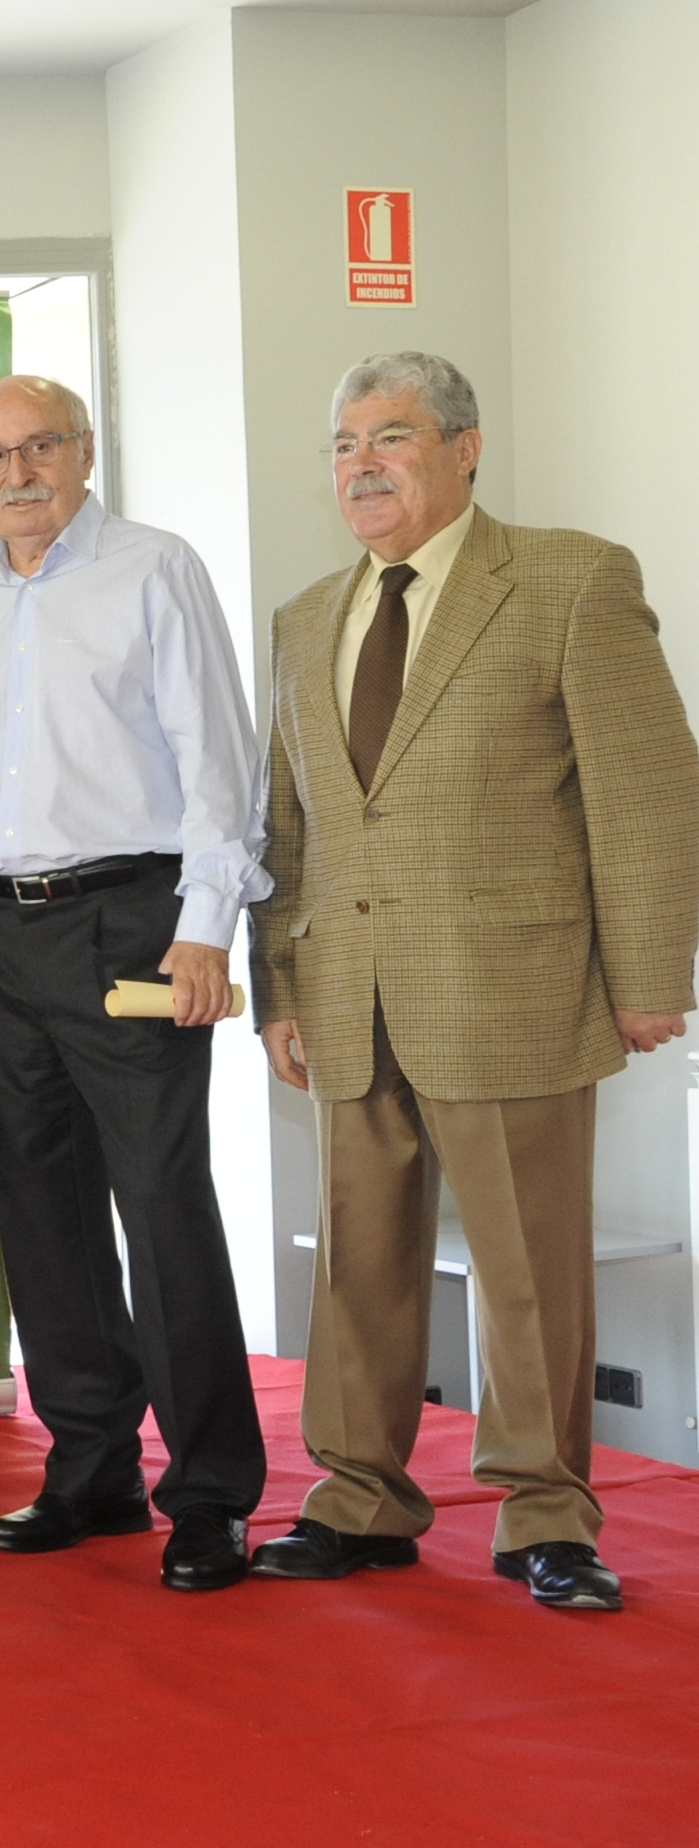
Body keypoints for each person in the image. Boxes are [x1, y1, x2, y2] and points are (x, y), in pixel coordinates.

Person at [247, 353, 699, 1612]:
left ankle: (547, 1516)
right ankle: (361, 1499)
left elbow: (649, 793)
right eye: (344, 444)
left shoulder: (569, 580)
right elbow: (288, 825)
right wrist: (280, 988)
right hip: (347, 996)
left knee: (527, 1273)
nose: (362, 465)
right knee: (358, 1267)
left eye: (390, 436)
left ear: (465, 446)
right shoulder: (303, 618)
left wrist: (650, 976)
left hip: (513, 991)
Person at [0, 374, 269, 1594]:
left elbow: (218, 762)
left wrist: (208, 928)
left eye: (40, 448)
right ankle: (92, 1464)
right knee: (41, 1212)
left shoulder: (154, 569)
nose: (17, 474)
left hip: (133, 924)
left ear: (85, 451)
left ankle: (211, 1493)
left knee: (162, 1209)